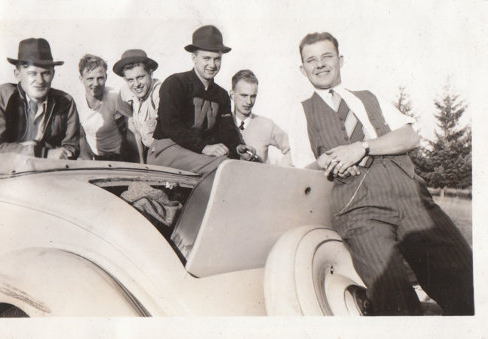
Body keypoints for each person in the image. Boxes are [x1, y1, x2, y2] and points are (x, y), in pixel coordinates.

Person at [296, 32, 474, 315]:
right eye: (311, 60)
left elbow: (409, 137)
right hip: (360, 209)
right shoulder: (298, 112)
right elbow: (299, 169)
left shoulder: (369, 97)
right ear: (302, 68)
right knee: (393, 299)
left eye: (327, 56)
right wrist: (324, 161)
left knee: (466, 279)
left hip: (411, 198)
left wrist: (362, 147)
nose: (320, 64)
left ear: (340, 60)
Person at [148, 25, 255, 174]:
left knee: (233, 163)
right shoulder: (176, 83)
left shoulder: (221, 95)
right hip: (166, 149)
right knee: (222, 166)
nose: (212, 65)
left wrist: (237, 146)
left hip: (196, 155)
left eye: (217, 59)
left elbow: (226, 130)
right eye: (207, 58)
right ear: (194, 57)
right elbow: (170, 125)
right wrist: (204, 147)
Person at [0, 38, 79, 159]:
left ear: (53, 74)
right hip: (8, 173)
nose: (40, 81)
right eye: (32, 73)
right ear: (17, 74)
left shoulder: (65, 102)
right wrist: (42, 153)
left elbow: (71, 147)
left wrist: (63, 154)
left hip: (50, 173)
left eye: (46, 73)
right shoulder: (3, 97)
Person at [230, 70, 292, 166]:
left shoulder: (266, 124)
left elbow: (294, 150)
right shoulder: (222, 123)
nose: (249, 102)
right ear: (232, 95)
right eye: (244, 95)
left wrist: (280, 171)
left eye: (253, 96)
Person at [76, 54, 131, 161]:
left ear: (106, 77)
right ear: (81, 79)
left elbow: (128, 133)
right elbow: (81, 138)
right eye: (90, 79)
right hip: (96, 158)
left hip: (121, 155)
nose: (95, 84)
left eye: (100, 78)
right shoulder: (77, 105)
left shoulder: (114, 97)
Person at [113, 49, 161, 164]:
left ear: (150, 73)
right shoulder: (125, 92)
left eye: (140, 77)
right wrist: (141, 164)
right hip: (144, 149)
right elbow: (133, 131)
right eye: (130, 80)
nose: (136, 84)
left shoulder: (160, 93)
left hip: (162, 151)